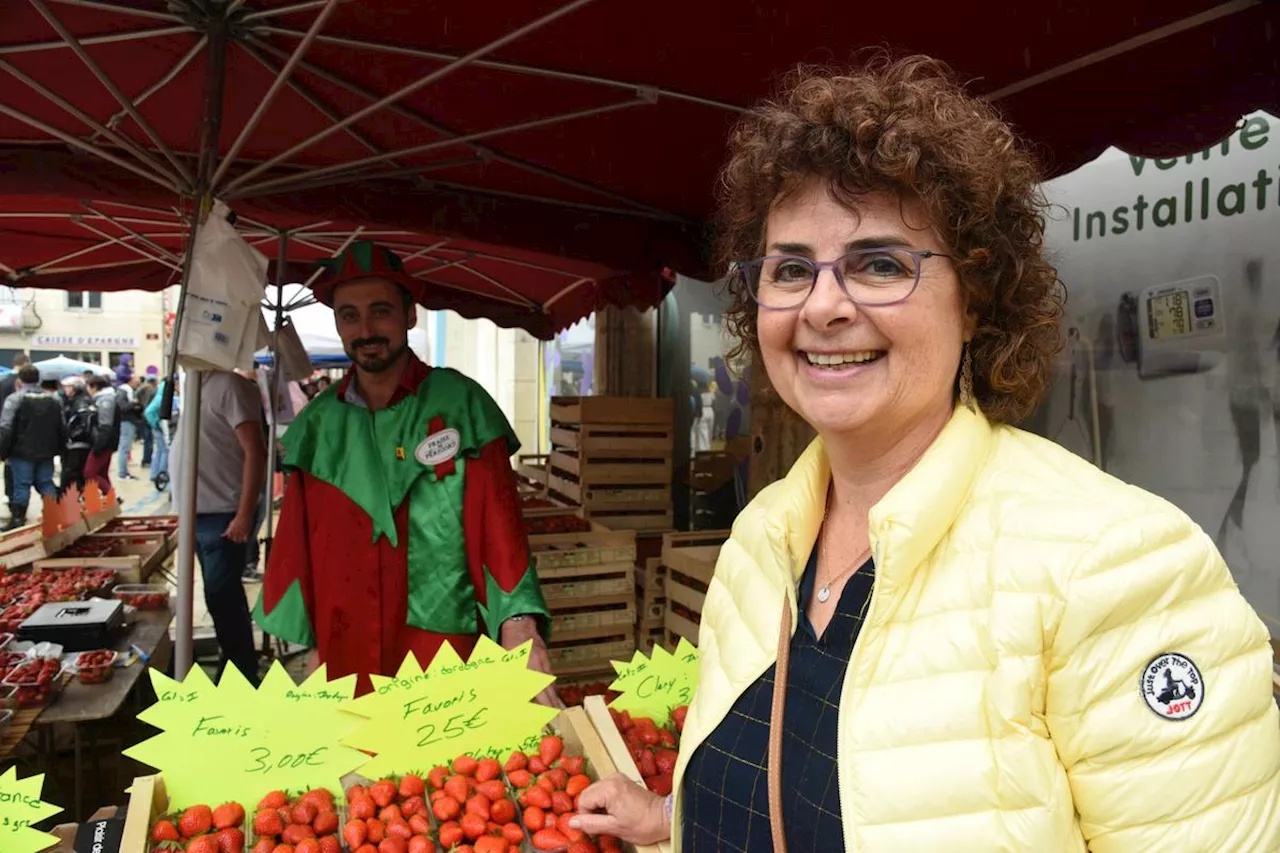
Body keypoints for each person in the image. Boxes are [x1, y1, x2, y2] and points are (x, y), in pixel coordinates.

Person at [571, 57, 1280, 851]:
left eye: (880, 264)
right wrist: (681, 818)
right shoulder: (761, 537)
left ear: (975, 300)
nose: (825, 305)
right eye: (792, 268)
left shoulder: (1118, 567)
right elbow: (803, 788)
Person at [254, 241, 555, 700]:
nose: (366, 328)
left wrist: (519, 625)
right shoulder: (317, 426)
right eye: (349, 316)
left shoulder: (461, 405)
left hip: (445, 654)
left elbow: (501, 531)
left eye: (380, 311)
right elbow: (298, 547)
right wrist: (311, 646)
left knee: (448, 771)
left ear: (410, 315)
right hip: (346, 655)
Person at [170, 370, 266, 685]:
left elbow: (255, 450)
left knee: (223, 598)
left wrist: (244, 514)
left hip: (223, 515)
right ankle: (235, 666)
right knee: (217, 598)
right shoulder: (195, 383)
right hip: (198, 514)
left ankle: (241, 676)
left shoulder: (229, 385)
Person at [0, 367, 65, 530]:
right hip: (47, 450)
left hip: (21, 451)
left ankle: (18, 520)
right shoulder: (54, 400)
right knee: (45, 483)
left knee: (22, 485)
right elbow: (61, 426)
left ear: (19, 380)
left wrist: (3, 451)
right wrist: (60, 448)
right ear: (39, 380)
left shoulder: (15, 399)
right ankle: (54, 515)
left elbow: (6, 427)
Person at [0, 353, 31, 518]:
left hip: (6, 430)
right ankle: (19, 508)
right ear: (24, 363)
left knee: (9, 467)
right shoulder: (27, 384)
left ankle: (13, 502)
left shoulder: (3, 382)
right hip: (25, 434)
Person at [84, 374, 118, 493]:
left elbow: (106, 425)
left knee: (90, 473)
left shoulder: (105, 400)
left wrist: (98, 446)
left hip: (104, 443)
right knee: (102, 473)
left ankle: (112, 496)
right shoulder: (104, 398)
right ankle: (110, 500)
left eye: (88, 386)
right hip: (107, 442)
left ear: (94, 387)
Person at [60, 377, 95, 493]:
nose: (65, 389)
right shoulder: (74, 401)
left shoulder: (80, 402)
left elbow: (85, 423)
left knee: (72, 473)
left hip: (78, 444)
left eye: (68, 386)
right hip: (77, 443)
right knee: (76, 474)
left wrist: (72, 435)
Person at [144, 376, 177, 491]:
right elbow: (148, 412)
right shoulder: (163, 397)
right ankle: (162, 474)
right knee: (164, 451)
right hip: (160, 428)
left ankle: (154, 474)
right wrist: (156, 423)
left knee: (159, 451)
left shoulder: (161, 394)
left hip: (158, 427)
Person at [116, 375, 141, 480]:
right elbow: (122, 407)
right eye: (137, 381)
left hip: (128, 421)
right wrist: (133, 403)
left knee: (126, 448)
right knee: (124, 448)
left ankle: (124, 471)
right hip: (126, 422)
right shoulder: (124, 392)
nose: (138, 384)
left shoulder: (129, 391)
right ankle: (122, 473)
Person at [136, 375, 157, 467]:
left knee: (146, 439)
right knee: (149, 440)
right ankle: (147, 460)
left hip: (143, 416)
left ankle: (146, 459)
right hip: (149, 416)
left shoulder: (141, 390)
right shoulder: (152, 390)